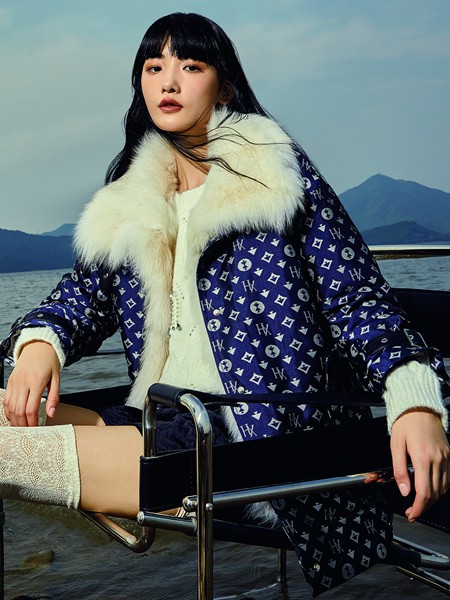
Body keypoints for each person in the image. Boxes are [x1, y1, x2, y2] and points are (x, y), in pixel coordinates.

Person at [0, 12, 449, 596]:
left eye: (190, 66)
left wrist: (415, 401)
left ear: (225, 87)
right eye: (153, 67)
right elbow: (83, 297)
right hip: (162, 420)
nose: (168, 81)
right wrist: (40, 345)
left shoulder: (275, 176)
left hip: (251, 433)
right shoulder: (132, 200)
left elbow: (356, 295)